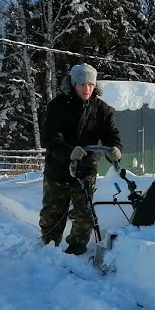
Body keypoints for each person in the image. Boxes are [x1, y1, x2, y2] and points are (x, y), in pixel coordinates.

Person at [38, 63, 123, 256]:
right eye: (82, 84)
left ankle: (76, 249)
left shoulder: (102, 109)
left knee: (84, 214)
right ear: (73, 83)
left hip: (86, 168)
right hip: (58, 168)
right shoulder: (57, 106)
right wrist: (69, 151)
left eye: (91, 85)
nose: (87, 89)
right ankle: (49, 249)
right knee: (53, 213)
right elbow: (50, 137)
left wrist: (116, 148)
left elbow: (112, 134)